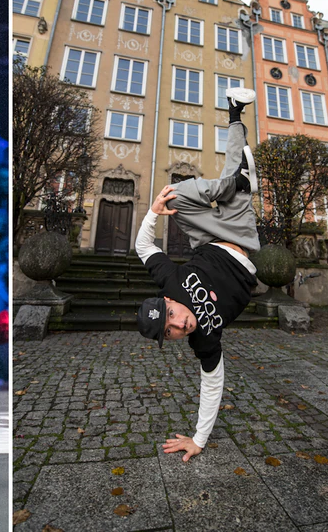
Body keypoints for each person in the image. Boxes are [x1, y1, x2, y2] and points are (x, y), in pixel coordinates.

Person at [135, 87, 261, 463]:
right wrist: (198, 439)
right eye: (170, 332)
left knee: (173, 193)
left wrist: (154, 211)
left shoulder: (170, 283)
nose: (179, 325)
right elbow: (212, 384)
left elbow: (143, 246)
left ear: (168, 301)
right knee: (233, 169)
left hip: (210, 235)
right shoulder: (203, 341)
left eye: (172, 316)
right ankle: (235, 134)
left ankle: (235, 155)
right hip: (241, 236)